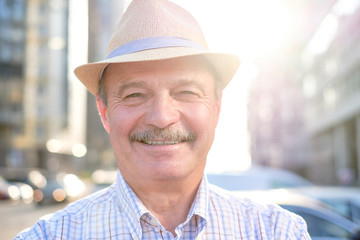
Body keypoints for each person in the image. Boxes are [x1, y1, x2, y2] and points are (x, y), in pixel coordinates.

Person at [15, 0, 311, 239]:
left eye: (185, 91)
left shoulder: (277, 231)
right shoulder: (50, 236)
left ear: (217, 107)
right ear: (105, 113)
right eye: (134, 95)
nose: (161, 117)